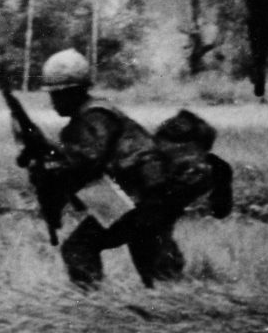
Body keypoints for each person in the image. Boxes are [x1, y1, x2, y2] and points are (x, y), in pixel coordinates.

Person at [31, 49, 224, 290]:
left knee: (80, 247)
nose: (53, 101)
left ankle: (91, 302)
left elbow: (86, 160)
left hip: (141, 195)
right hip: (141, 196)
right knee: (155, 266)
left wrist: (50, 159)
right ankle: (176, 300)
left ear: (74, 91)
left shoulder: (95, 116)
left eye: (57, 94)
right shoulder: (88, 117)